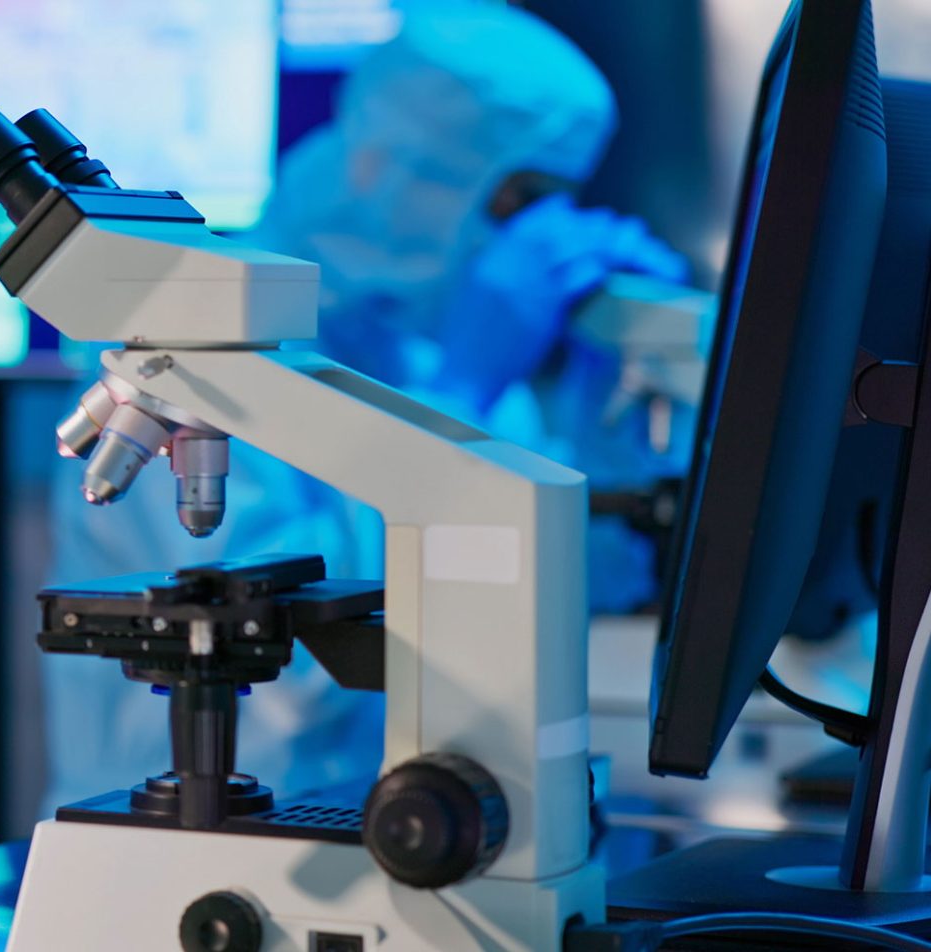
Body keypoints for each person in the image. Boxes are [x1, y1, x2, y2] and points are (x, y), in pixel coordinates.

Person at [41, 2, 688, 811]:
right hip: (194, 821)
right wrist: (462, 399)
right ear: (389, 168)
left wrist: (603, 396)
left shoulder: (432, 356)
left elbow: (577, 587)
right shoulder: (197, 348)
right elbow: (287, 675)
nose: (533, 240)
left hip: (398, 812)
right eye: (518, 200)